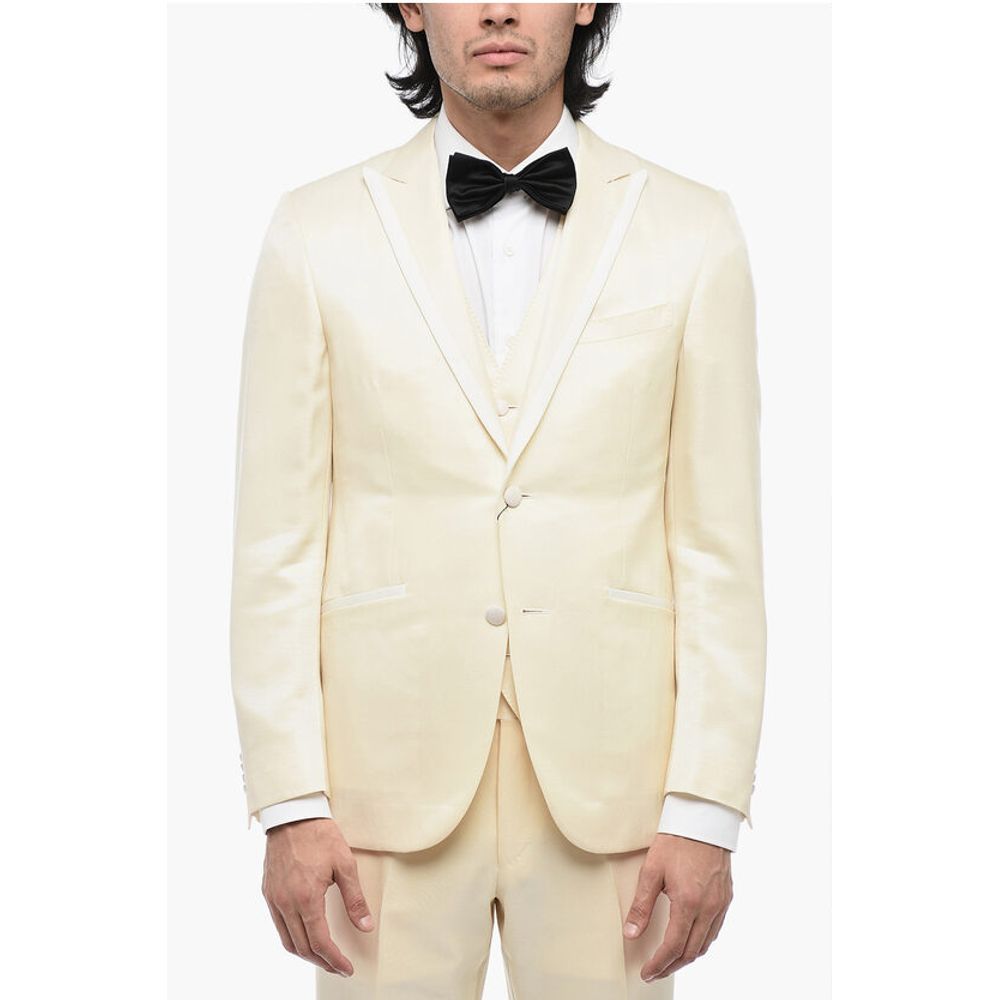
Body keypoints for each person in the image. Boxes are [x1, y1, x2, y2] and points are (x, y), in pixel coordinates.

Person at [229, 4, 766, 997]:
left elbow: (717, 546)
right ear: (409, 7)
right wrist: (290, 801)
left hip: (616, 790)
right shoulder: (314, 231)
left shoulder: (694, 231)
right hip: (378, 789)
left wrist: (705, 806)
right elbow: (277, 545)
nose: (500, 9)